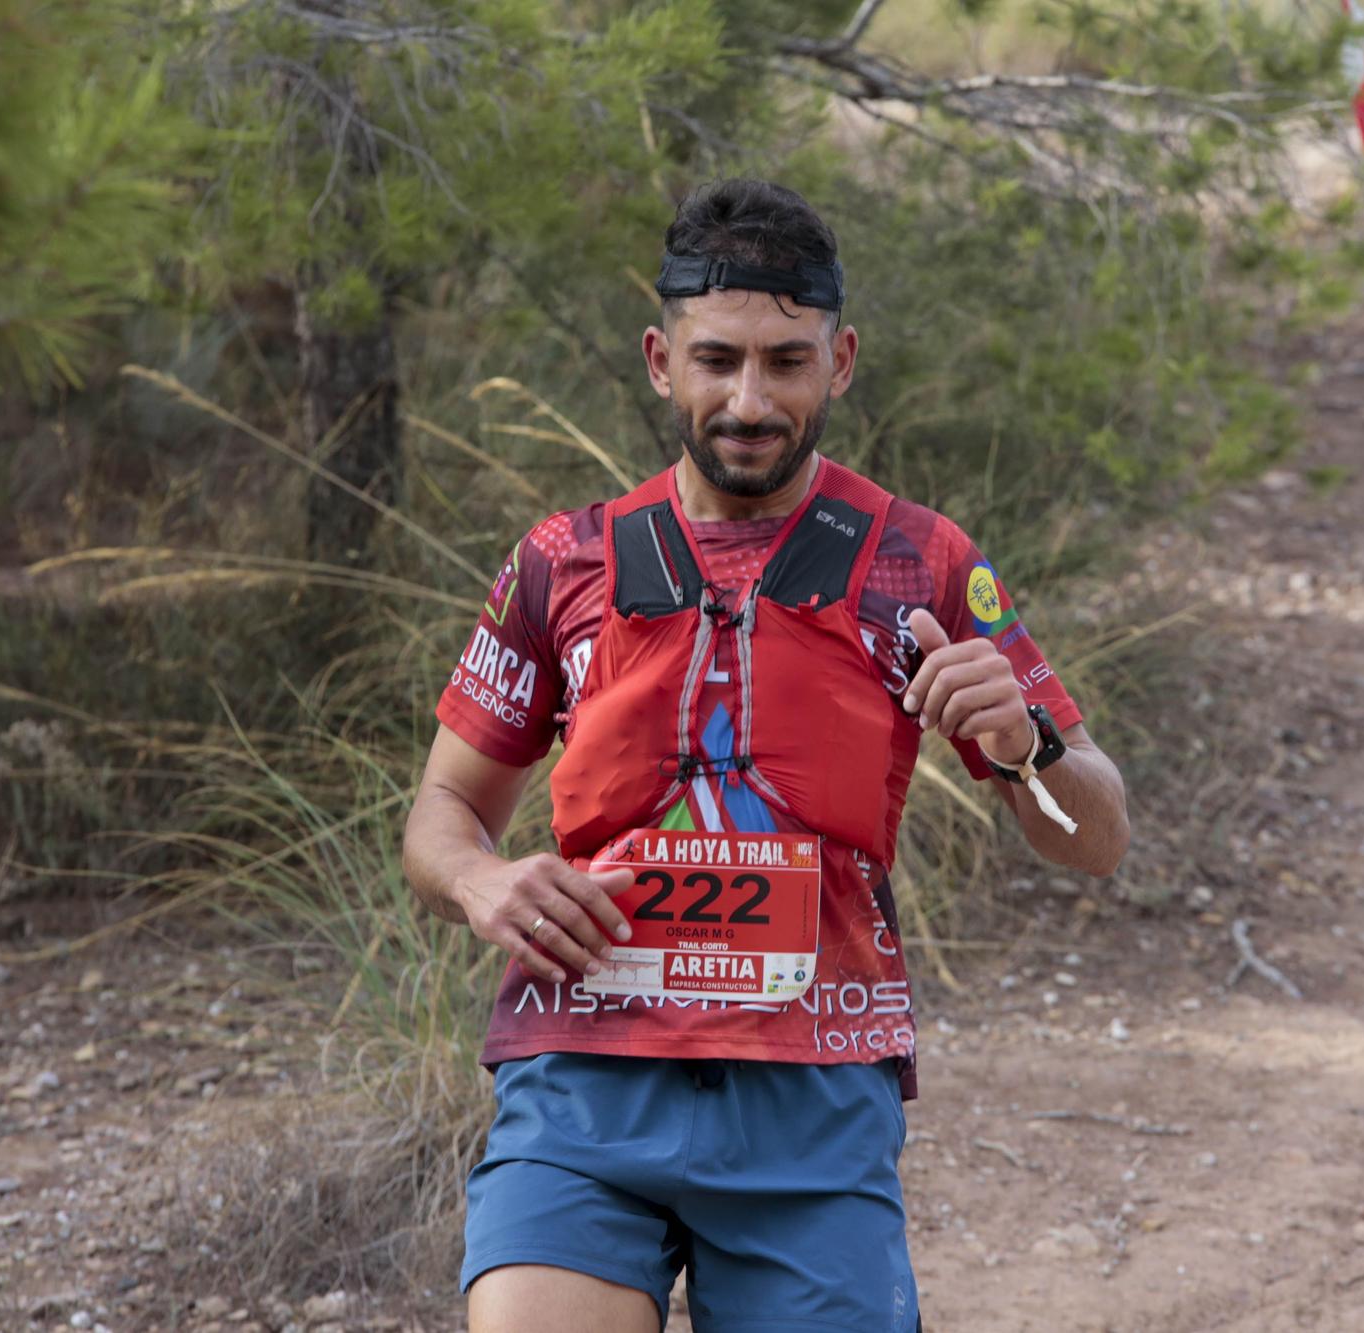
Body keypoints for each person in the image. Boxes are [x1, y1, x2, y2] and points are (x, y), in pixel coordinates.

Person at [402, 178, 1130, 1333]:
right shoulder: (561, 560)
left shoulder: (921, 564)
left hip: (812, 1092)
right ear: (659, 359)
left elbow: (1096, 835)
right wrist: (481, 877)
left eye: (786, 362)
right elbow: (444, 805)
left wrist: (1023, 740)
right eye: (717, 359)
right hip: (584, 1079)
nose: (749, 399)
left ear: (839, 364)